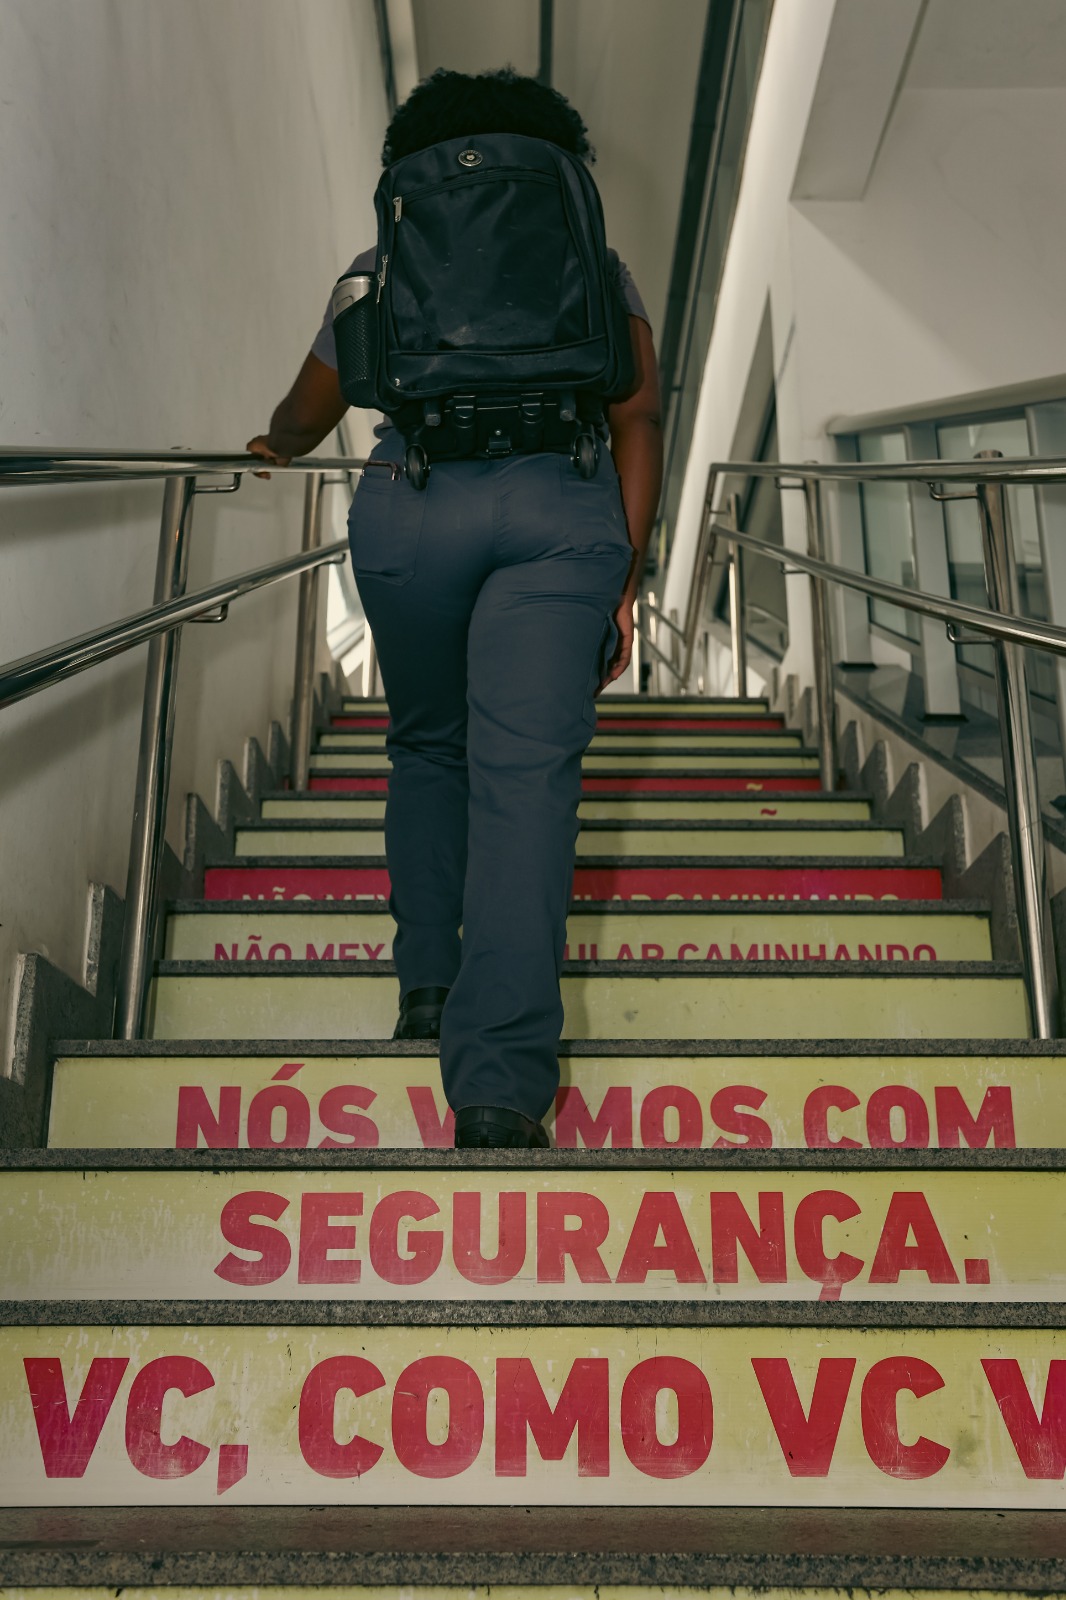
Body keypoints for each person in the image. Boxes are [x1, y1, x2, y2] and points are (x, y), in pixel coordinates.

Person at [248, 68, 663, 1148]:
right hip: (558, 509)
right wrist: (622, 575)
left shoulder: (377, 262)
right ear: (554, 159)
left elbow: (314, 398)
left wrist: (278, 443)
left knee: (428, 746)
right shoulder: (595, 262)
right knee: (526, 785)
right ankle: (497, 1086)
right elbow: (639, 409)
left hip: (412, 508)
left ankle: (425, 984)